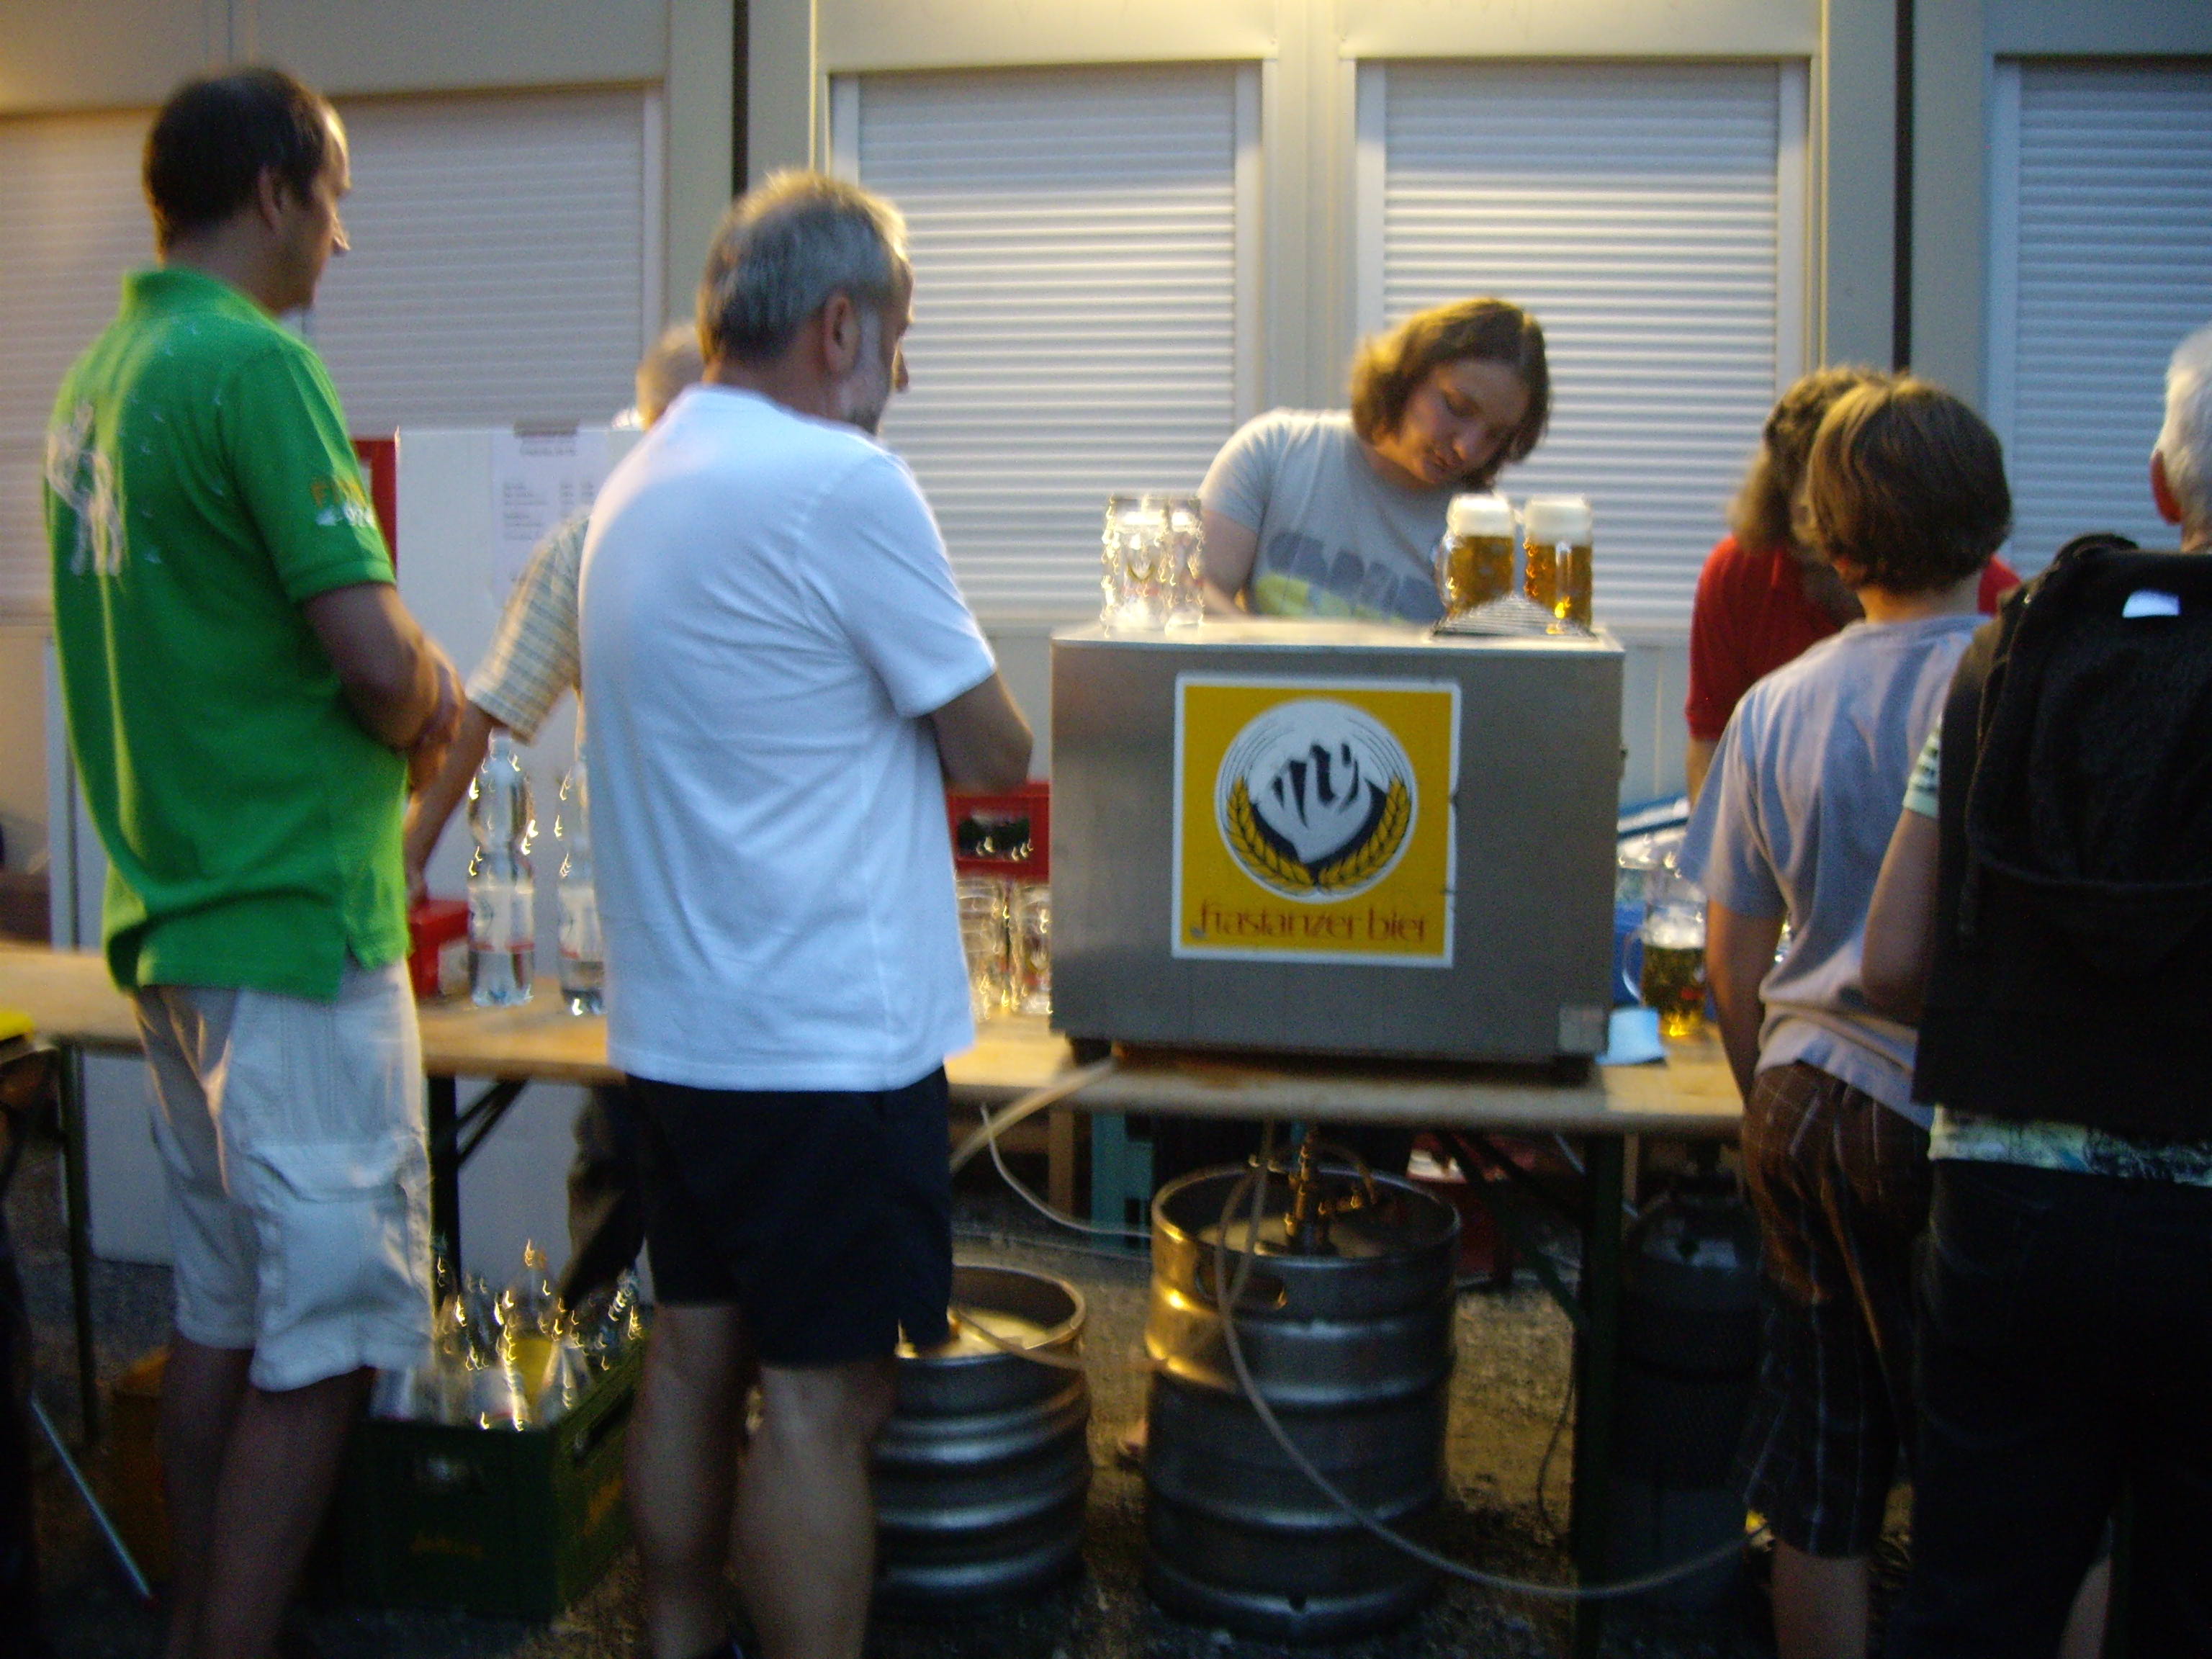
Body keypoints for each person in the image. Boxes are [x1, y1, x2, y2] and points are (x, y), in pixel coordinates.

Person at [580, 171, 1032, 1659]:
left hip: (679, 1028)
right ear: (839, 326)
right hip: (824, 1045)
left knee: (694, 1353)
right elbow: (996, 749)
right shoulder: (843, 484)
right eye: (899, 340)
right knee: (828, 1401)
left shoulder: (640, 477)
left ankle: (676, 1637)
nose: (902, 375)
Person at [43, 68, 462, 1659]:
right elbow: (375, 657)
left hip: (177, 917)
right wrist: (432, 693)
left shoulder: (99, 379)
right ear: (276, 191)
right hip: (293, 925)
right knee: (333, 1334)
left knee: (220, 1315)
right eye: (335, 198)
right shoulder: (254, 366)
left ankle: (193, 1635)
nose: (342, 238)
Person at [1863, 323, 2212, 1659]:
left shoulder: (2015, 653)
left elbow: (1893, 960)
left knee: (1971, 1601)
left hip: (2010, 1203)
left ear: (2163, 484)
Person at [1678, 379, 2012, 1659]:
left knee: (1819, 1475)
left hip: (1803, 1099)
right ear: (1990, 520)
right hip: (1953, 1117)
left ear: (1827, 534)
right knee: (2014, 1477)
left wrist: (1764, 1089)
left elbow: (1731, 959)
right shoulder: (2020, 681)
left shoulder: (1779, 703)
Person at [402, 323, 703, 1306]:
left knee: (713, 1183)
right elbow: (492, 708)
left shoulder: (779, 533)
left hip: (739, 935)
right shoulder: (589, 545)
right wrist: (409, 850)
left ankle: (659, 1347)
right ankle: (603, 1346)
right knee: (627, 1156)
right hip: (637, 928)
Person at [1683, 367, 2021, 800]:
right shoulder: (1737, 573)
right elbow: (1709, 739)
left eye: (1828, 483)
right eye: (1796, 478)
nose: (1806, 503)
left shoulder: (1993, 594)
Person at [1200, 297, 1550, 621]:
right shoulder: (1275, 451)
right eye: (1458, 407)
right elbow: (1198, 590)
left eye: (1495, 435)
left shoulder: (1499, 545)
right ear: (1408, 373)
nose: (1467, 449)